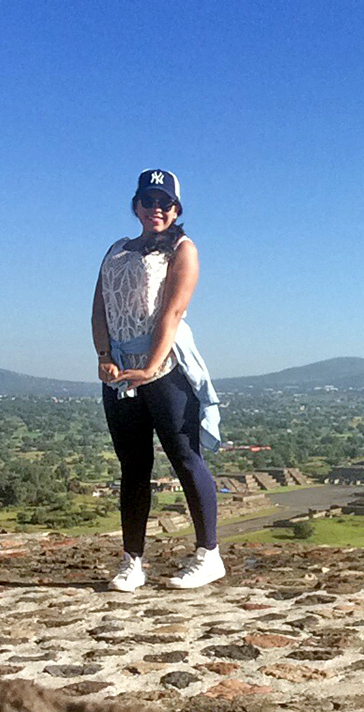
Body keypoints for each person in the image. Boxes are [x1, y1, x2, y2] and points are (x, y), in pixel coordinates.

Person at [91, 169, 224, 592]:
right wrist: (104, 357)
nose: (156, 209)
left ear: (176, 208)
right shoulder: (115, 250)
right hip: (121, 370)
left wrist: (151, 365)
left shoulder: (182, 250)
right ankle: (133, 562)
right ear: (136, 206)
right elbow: (99, 309)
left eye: (165, 202)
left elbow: (172, 311)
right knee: (133, 466)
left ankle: (209, 555)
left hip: (165, 367)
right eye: (148, 201)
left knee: (185, 457)